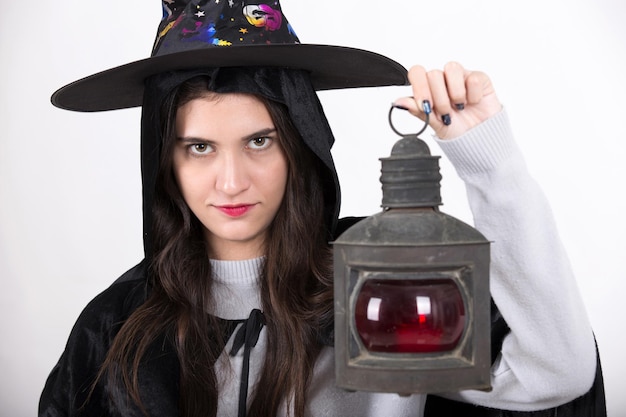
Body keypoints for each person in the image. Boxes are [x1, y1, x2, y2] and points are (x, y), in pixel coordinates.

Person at [39, 1, 606, 416]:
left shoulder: (384, 286)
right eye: (200, 148)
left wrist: (489, 164)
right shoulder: (115, 327)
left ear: (300, 145)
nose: (231, 181)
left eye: (260, 141)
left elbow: (555, 372)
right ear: (165, 162)